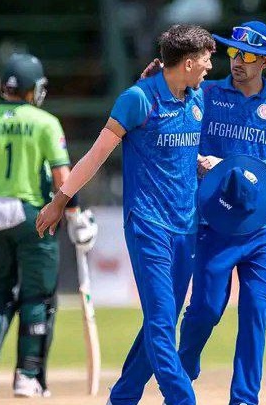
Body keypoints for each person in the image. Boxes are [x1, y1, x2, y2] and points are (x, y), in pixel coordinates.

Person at [36, 24, 215, 405]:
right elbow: (96, 156)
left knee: (161, 322)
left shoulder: (197, 97)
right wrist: (60, 200)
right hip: (149, 224)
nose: (209, 67)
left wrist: (200, 162)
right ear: (187, 63)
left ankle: (122, 399)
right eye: (205, 59)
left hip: (187, 226)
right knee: (162, 324)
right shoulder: (137, 99)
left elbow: (177, 153)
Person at [139, 20, 266, 405]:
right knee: (206, 309)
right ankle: (181, 374)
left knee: (255, 314)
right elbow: (167, 110)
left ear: (265, 62)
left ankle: (244, 398)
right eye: (232, 52)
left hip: (262, 228)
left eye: (247, 56)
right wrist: (152, 82)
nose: (237, 61)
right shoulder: (206, 92)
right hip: (214, 222)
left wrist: (229, 165)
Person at [0, 53, 95, 397]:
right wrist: (75, 216)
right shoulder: (45, 122)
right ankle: (28, 374)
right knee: (38, 295)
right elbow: (63, 175)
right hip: (34, 215)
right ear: (33, 88)